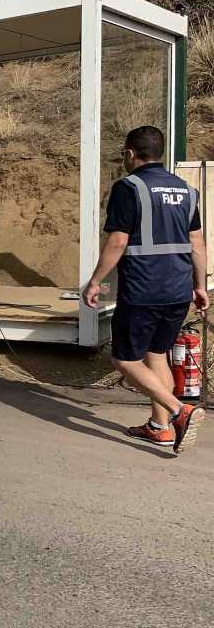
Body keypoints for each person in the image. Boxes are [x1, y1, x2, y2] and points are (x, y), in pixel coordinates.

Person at [83, 125, 207, 453]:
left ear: (130, 153)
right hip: (178, 290)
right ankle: (159, 427)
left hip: (143, 288)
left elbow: (118, 240)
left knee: (125, 360)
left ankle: (180, 411)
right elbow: (197, 242)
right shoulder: (186, 190)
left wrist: (95, 281)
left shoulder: (129, 187)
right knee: (156, 354)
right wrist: (200, 285)